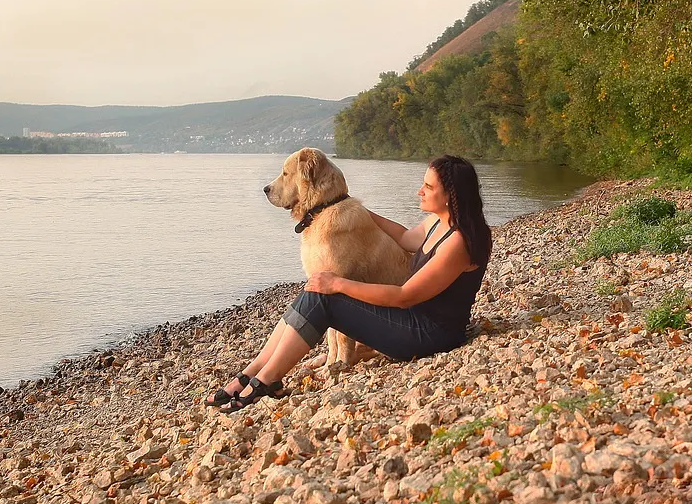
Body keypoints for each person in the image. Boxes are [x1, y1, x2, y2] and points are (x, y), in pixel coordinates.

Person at [204, 154, 493, 412]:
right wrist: (347, 206)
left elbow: (405, 296)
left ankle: (266, 379)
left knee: (324, 294)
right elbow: (405, 238)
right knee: (316, 289)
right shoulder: (438, 222)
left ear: (451, 196)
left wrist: (338, 285)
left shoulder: (459, 241)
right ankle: (254, 372)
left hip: (428, 333)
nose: (420, 191)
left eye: (428, 187)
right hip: (414, 322)